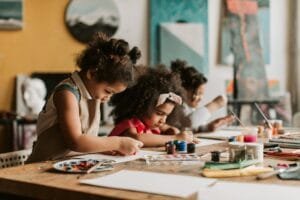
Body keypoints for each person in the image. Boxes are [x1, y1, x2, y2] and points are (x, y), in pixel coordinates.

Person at [26, 33, 143, 163]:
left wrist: (102, 148)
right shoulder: (67, 93)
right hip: (42, 167)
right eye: (108, 91)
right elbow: (76, 141)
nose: (108, 98)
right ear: (92, 73)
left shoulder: (92, 95)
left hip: (69, 164)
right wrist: (118, 142)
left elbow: (87, 138)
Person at [108, 68, 199, 147]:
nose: (163, 120)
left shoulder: (152, 124)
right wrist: (175, 138)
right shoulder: (130, 124)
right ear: (142, 107)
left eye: (167, 115)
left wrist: (175, 132)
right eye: (159, 113)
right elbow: (137, 138)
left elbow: (167, 128)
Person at [168, 59, 234, 132]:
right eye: (197, 93)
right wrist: (215, 104)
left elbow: (191, 128)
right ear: (182, 89)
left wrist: (209, 127)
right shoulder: (176, 105)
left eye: (202, 94)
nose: (201, 98)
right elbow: (190, 122)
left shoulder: (189, 108)